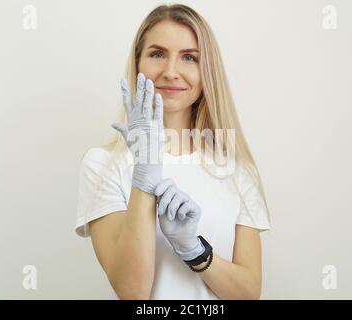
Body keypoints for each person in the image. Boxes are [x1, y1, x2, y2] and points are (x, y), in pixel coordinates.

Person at [75, 3, 271, 300]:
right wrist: (144, 173)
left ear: (207, 72)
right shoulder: (102, 165)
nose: (171, 72)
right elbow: (132, 293)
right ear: (138, 63)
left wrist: (194, 250)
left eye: (189, 57)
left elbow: (248, 293)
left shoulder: (236, 169)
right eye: (157, 54)